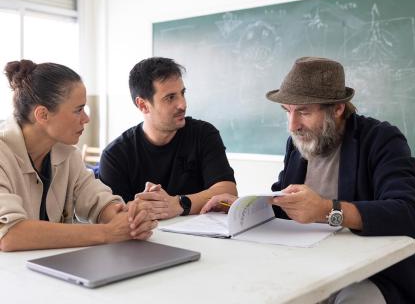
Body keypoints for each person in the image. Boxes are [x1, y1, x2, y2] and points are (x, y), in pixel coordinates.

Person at [202, 57, 415, 303]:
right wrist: (239, 206)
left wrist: (326, 210)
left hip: (371, 275)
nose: (292, 125)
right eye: (287, 111)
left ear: (338, 108)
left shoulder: (381, 139)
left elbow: (411, 214)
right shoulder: (298, 143)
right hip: (307, 267)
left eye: (304, 112)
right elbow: (286, 206)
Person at [0, 60, 155, 251]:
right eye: (78, 110)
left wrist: (129, 220)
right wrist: (107, 233)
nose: (86, 118)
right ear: (42, 115)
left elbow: (98, 200)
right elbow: (9, 235)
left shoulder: (67, 153)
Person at [99, 57, 237, 220]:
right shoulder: (115, 155)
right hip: (143, 243)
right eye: (170, 97)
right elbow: (114, 214)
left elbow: (228, 192)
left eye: (182, 93)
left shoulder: (204, 134)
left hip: (201, 242)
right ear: (143, 105)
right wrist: (151, 206)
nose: (182, 104)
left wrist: (179, 204)